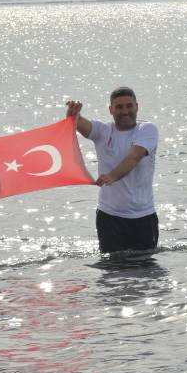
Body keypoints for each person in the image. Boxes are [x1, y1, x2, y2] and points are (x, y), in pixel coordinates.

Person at [66, 87, 159, 253]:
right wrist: (73, 114)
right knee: (111, 272)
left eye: (129, 106)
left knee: (145, 273)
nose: (125, 111)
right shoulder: (102, 131)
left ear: (137, 107)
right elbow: (78, 123)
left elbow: (134, 157)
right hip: (109, 217)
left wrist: (112, 176)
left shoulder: (147, 130)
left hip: (143, 217)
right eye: (119, 107)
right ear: (111, 109)